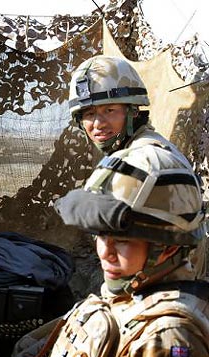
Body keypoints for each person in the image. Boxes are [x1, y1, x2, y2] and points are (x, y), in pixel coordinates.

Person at [0, 143, 209, 357]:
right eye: (101, 236)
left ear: (167, 248)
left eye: (122, 241)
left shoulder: (168, 338)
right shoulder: (128, 297)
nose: (105, 252)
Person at [69, 54, 207, 278]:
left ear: (133, 111)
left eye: (109, 110)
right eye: (89, 114)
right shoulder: (139, 149)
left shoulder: (141, 161)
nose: (98, 123)